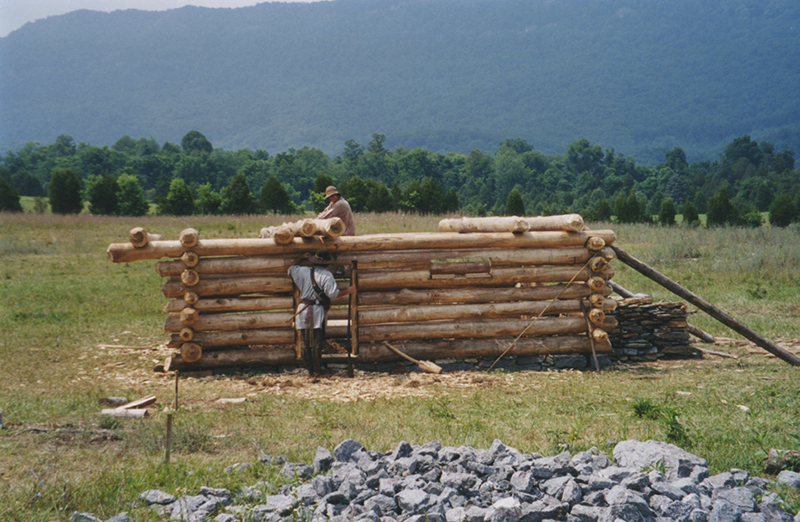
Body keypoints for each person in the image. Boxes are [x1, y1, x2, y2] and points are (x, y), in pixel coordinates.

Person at [288, 249, 353, 375]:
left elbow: (290, 269)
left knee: (306, 343)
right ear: (327, 263)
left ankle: (310, 371)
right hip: (317, 310)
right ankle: (317, 371)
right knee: (317, 342)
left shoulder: (303, 270)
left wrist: (301, 257)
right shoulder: (327, 275)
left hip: (303, 308)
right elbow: (333, 294)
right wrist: (348, 291)